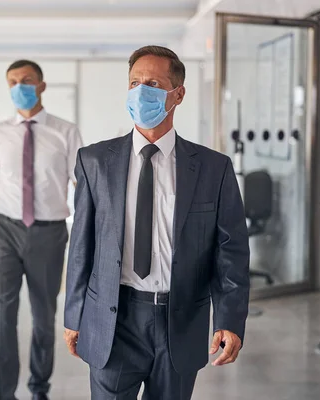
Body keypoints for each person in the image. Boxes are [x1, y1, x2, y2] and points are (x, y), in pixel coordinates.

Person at [63, 45, 250, 399]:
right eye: (134, 83)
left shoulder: (213, 168)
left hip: (179, 320)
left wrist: (230, 318)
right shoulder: (95, 161)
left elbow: (231, 252)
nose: (140, 92)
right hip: (114, 319)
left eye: (151, 83)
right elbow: (81, 245)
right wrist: (74, 314)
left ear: (177, 94)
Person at [0, 59, 83, 400]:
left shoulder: (65, 131)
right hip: (5, 231)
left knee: (43, 317)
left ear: (41, 86)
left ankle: (39, 388)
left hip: (49, 234)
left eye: (26, 80)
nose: (18, 87)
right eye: (12, 81)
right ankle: (5, 393)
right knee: (2, 316)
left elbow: (80, 182)